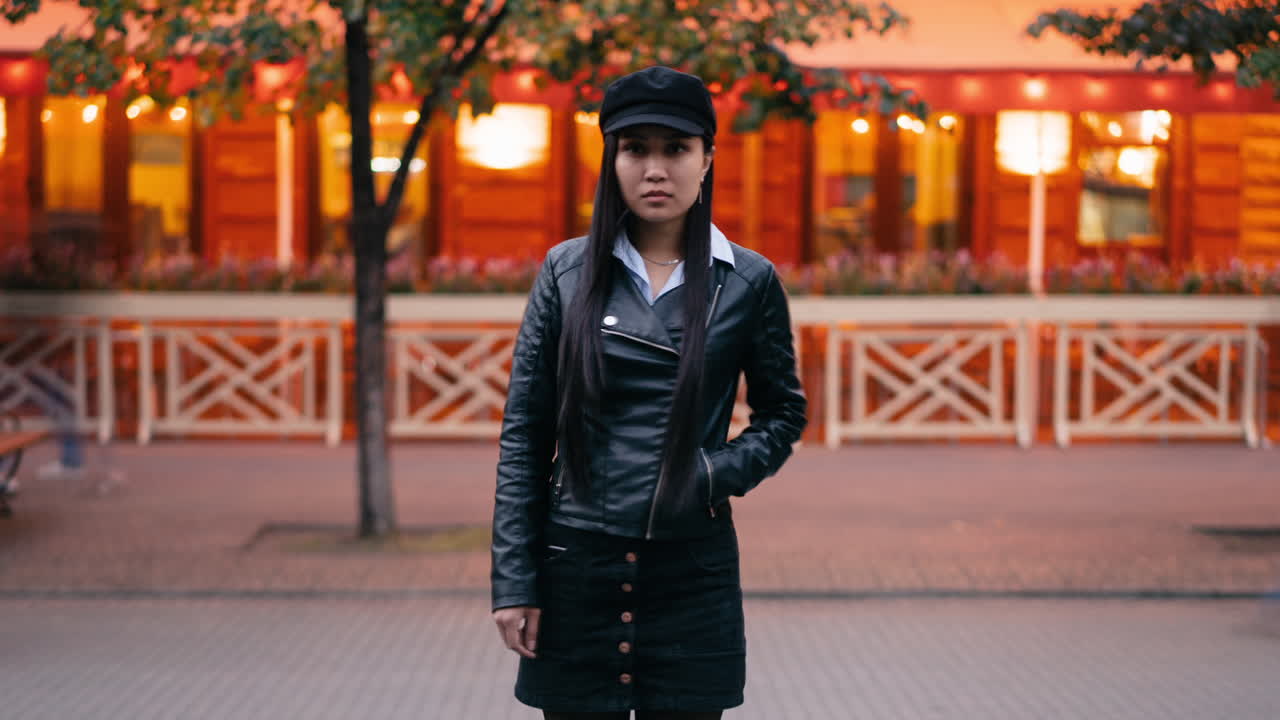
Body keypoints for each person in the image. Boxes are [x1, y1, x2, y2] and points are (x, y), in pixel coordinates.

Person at [490, 66, 807, 719]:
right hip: (575, 563)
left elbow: (783, 413)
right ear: (611, 160)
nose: (655, 169)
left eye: (676, 148)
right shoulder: (566, 272)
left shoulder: (746, 281)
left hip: (692, 570)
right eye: (636, 149)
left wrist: (713, 473)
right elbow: (525, 433)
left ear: (707, 158)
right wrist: (515, 581)